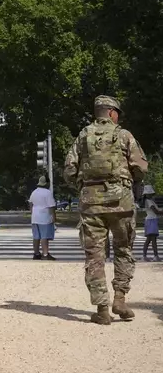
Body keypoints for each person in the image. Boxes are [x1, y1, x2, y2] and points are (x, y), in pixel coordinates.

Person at [64, 95, 148, 325]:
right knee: (124, 250)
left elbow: (69, 170)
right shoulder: (124, 135)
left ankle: (102, 309)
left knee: (94, 256)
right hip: (121, 202)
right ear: (111, 112)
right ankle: (120, 299)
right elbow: (140, 167)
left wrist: (85, 184)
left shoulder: (82, 136)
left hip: (91, 204)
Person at [28, 176, 57, 260]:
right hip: (45, 217)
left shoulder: (34, 192)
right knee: (44, 236)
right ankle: (45, 254)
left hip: (35, 217)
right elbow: (51, 206)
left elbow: (30, 204)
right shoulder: (47, 193)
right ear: (47, 183)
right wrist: (54, 217)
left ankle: (36, 253)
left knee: (36, 236)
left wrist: (33, 213)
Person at [142, 185, 162, 261]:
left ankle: (144, 256)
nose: (150, 194)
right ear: (146, 194)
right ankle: (155, 256)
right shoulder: (149, 201)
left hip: (151, 220)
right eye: (148, 193)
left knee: (149, 239)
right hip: (151, 220)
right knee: (153, 239)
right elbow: (156, 211)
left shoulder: (150, 201)